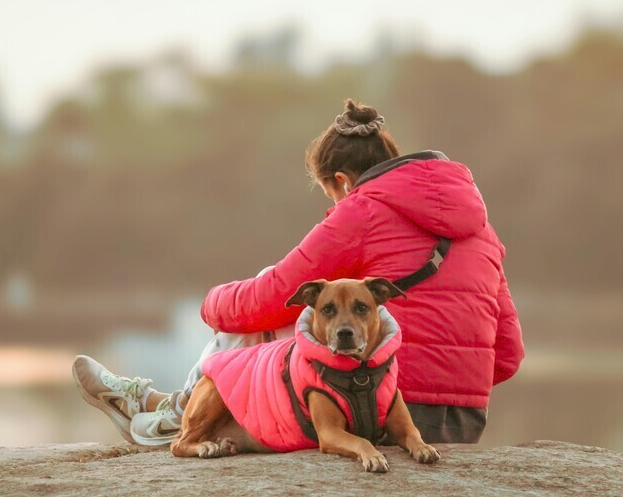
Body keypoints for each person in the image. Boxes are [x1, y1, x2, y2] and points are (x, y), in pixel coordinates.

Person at [73, 99, 524, 445]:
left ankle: (171, 415)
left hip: (381, 407)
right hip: (466, 422)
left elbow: (268, 297)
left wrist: (209, 304)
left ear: (343, 181)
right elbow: (507, 354)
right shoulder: (481, 225)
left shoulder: (361, 210)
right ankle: (171, 408)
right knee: (329, 310)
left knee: (289, 310)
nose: (332, 206)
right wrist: (450, 384)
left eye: (330, 193)